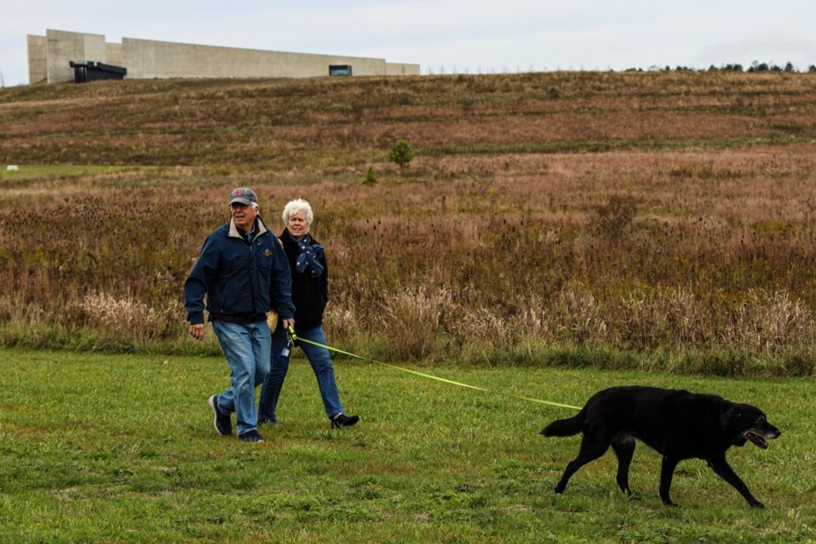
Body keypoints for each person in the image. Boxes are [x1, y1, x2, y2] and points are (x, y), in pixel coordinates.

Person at [184, 187, 295, 443]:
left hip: (259, 320)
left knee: (262, 370)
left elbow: (281, 277)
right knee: (245, 369)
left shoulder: (268, 242)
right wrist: (195, 314)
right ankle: (247, 428)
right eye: (234, 206)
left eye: (243, 206)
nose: (237, 210)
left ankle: (223, 404)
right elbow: (197, 279)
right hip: (227, 320)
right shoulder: (218, 240)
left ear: (256, 210)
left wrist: (287, 310)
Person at [259, 198, 359, 429]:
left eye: (300, 220)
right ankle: (265, 415)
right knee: (277, 369)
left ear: (308, 223)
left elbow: (323, 282)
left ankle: (337, 415)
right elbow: (270, 282)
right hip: (285, 321)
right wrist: (281, 311)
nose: (296, 223)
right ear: (286, 222)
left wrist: (319, 305)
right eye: (292, 219)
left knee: (324, 364)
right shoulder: (276, 246)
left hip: (311, 323)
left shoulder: (317, 250)